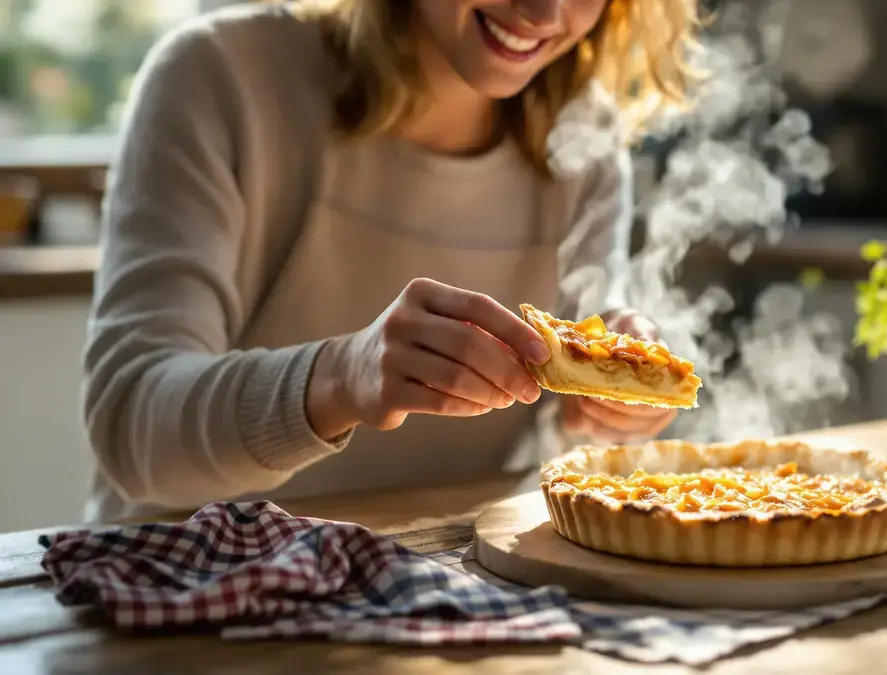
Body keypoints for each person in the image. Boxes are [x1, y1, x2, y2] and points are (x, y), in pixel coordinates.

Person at [81, 0, 699, 522]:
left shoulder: (584, 142)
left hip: (436, 595)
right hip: (185, 596)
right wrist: (342, 375)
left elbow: (562, 426)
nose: (546, 12)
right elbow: (133, 435)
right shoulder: (219, 76)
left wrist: (611, 407)